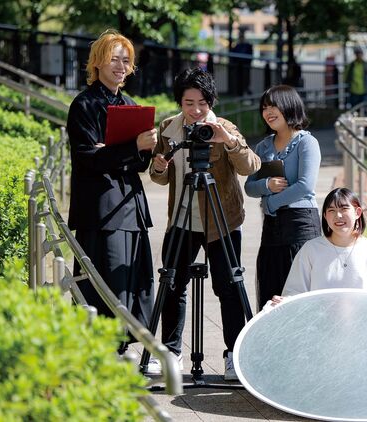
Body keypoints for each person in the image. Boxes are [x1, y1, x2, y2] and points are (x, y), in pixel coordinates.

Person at [145, 68, 261, 380]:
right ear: (179, 103)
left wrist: (230, 141)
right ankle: (171, 352)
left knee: (228, 286)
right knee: (172, 284)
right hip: (182, 218)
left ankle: (233, 355)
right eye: (188, 102)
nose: (196, 110)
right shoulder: (169, 128)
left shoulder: (223, 127)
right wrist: (158, 166)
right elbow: (159, 177)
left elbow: (251, 165)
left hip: (221, 220)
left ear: (211, 102)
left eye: (202, 103)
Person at [66, 29, 157, 353]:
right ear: (98, 62)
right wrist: (131, 147)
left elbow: (139, 163)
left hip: (131, 204)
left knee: (138, 280)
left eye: (126, 60)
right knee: (105, 283)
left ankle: (133, 348)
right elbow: (88, 157)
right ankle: (104, 350)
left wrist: (138, 150)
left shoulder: (131, 105)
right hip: (101, 208)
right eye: (114, 59)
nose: (121, 66)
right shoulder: (84, 105)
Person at [270, 188, 367, 308]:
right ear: (325, 216)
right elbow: (295, 292)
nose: (338, 216)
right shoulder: (311, 249)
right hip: (318, 328)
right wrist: (286, 301)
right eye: (331, 211)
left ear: (358, 212)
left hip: (362, 329)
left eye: (344, 209)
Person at [244, 85, 322, 310]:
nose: (268, 112)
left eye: (273, 106)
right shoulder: (263, 145)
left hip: (300, 223)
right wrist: (267, 185)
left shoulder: (307, 142)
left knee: (299, 294)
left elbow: (305, 185)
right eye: (264, 108)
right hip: (271, 228)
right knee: (272, 290)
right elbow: (250, 187)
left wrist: (271, 202)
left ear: (289, 106)